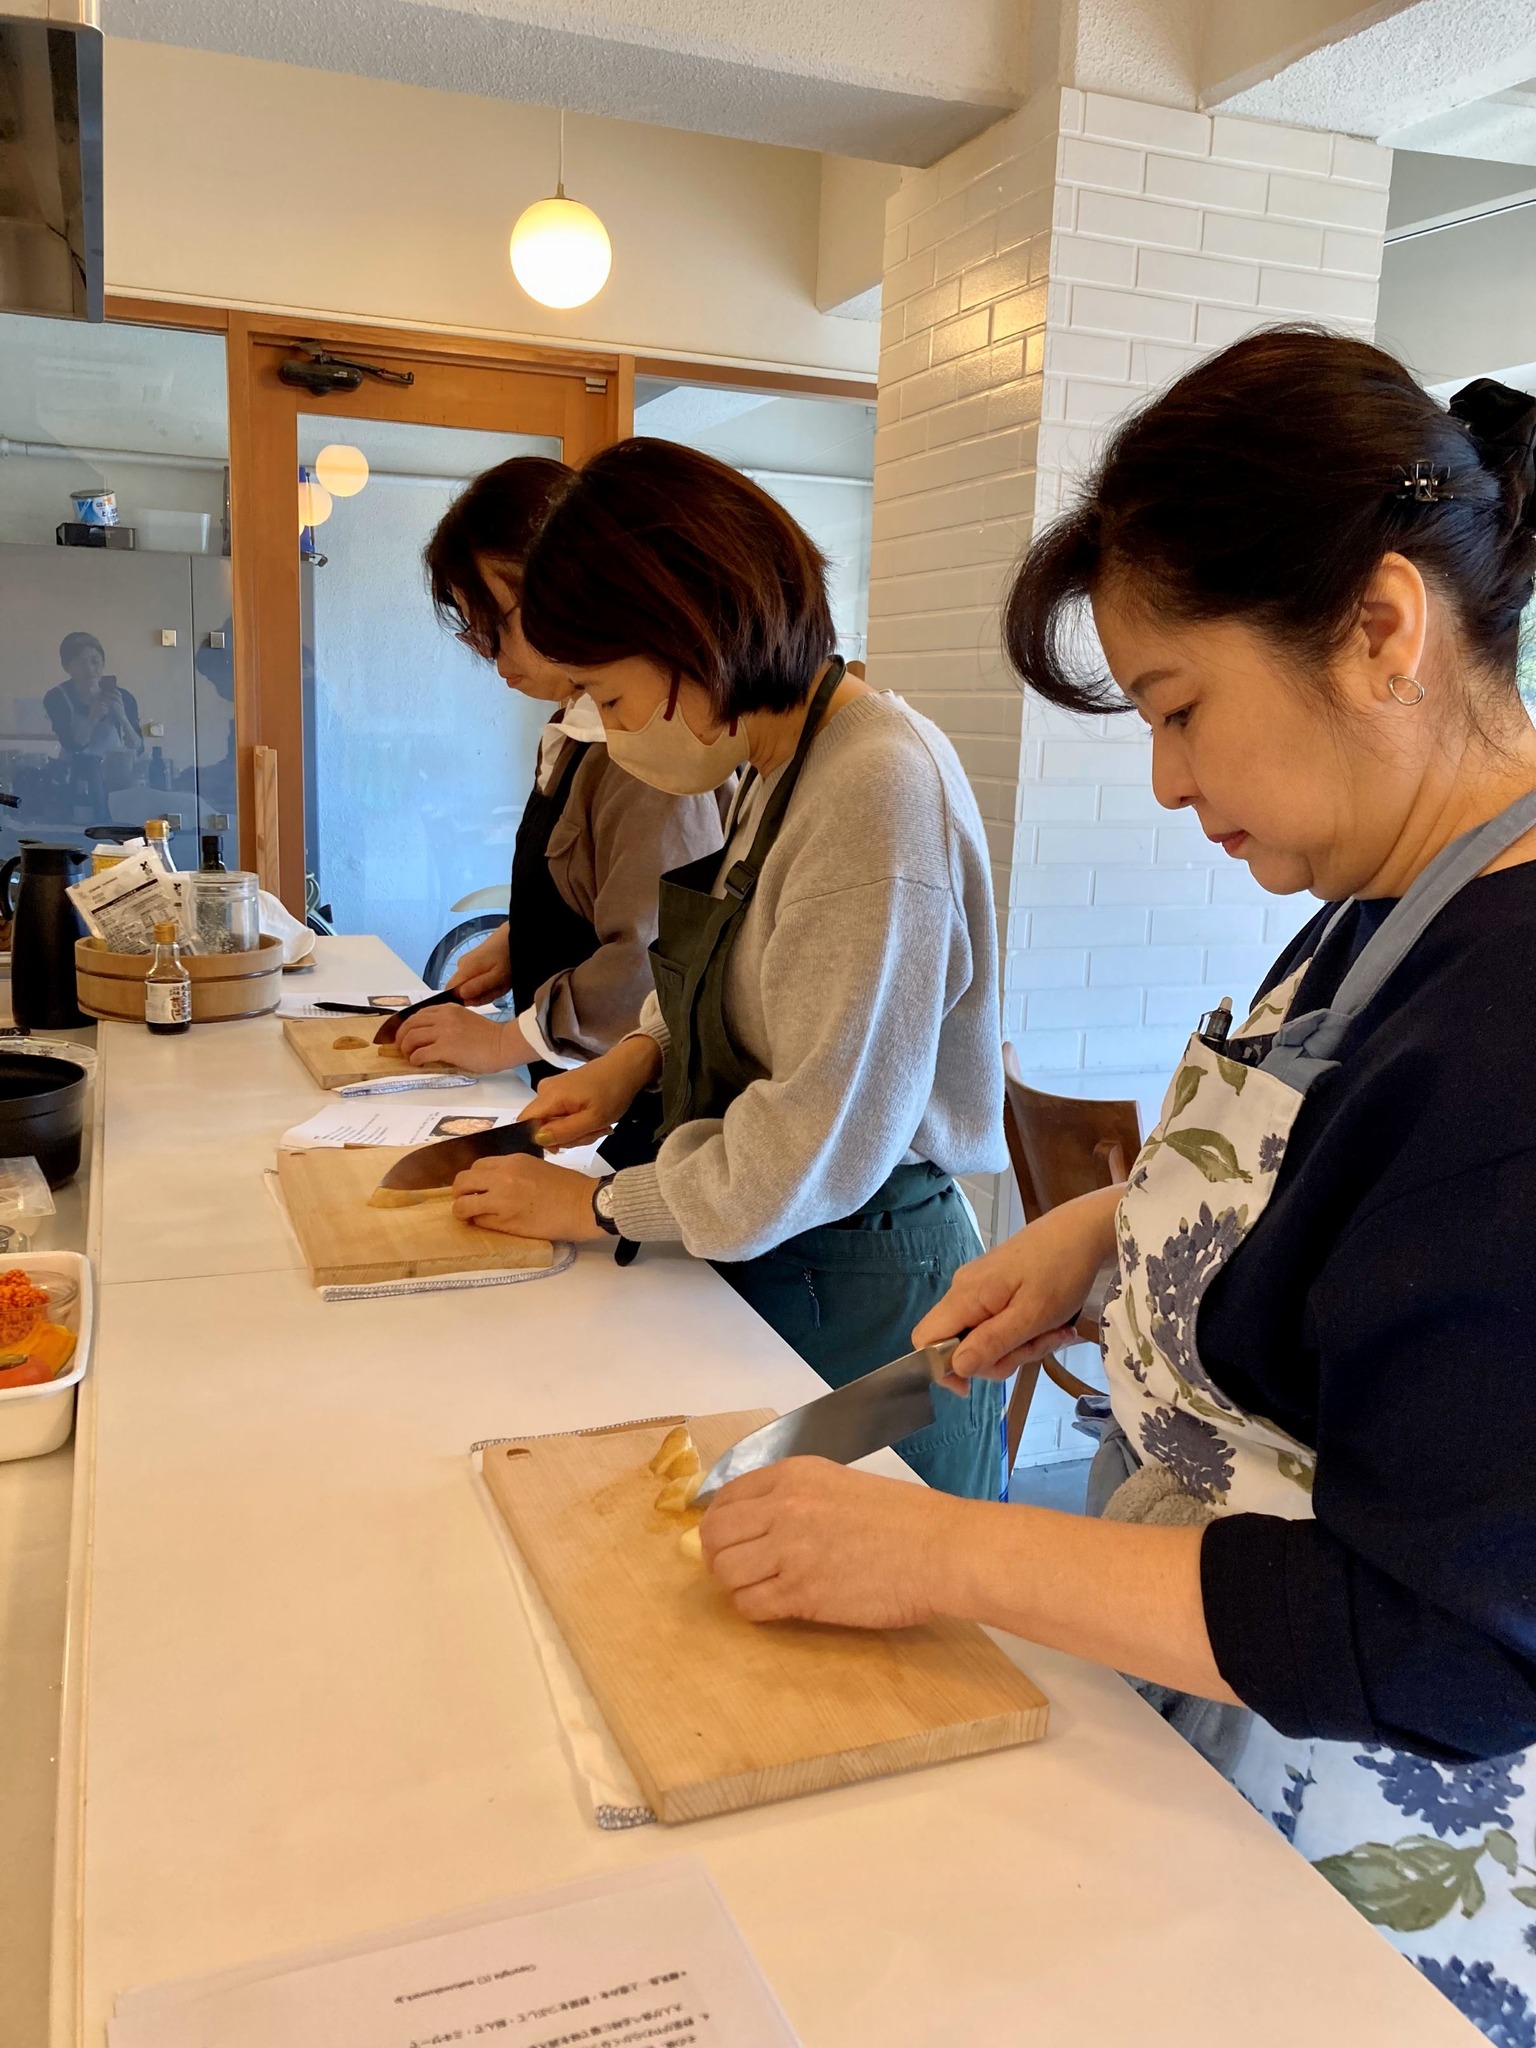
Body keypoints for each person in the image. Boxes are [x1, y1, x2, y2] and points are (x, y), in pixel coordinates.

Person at [679, 331, 1536, 2040]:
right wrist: (1105, 1238)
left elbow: (1439, 1640)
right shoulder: (1380, 910)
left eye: (1178, 708)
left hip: (1362, 1878)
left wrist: (944, 1551)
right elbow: (1330, 1209)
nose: (1167, 778)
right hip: (1212, 1745)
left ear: (1381, 630)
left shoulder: (1515, 1022)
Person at [446, 439, 1008, 1501]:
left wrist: (599, 1206)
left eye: (610, 697)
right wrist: (635, 1058)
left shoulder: (875, 789)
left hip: (868, 1284)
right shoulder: (779, 760)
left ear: (688, 632)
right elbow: (738, 964)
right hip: (786, 1248)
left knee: (876, 1591)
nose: (611, 732)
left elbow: (808, 1141)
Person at [397, 457, 725, 1083]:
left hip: (625, 1101)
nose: (495, 660)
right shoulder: (573, 728)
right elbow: (587, 887)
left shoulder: (642, 748)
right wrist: (517, 942)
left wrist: (505, 1041)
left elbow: (652, 960)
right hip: (567, 1079)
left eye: (498, 625)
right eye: (476, 633)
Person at [44, 632, 144, 810]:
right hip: (77, 777)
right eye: (81, 663)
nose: (90, 670)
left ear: (103, 663)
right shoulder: (57, 698)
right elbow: (73, 745)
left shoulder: (123, 697)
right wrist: (92, 718)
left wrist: (121, 716)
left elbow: (137, 746)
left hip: (116, 777)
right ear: (67, 667)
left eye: (95, 661)